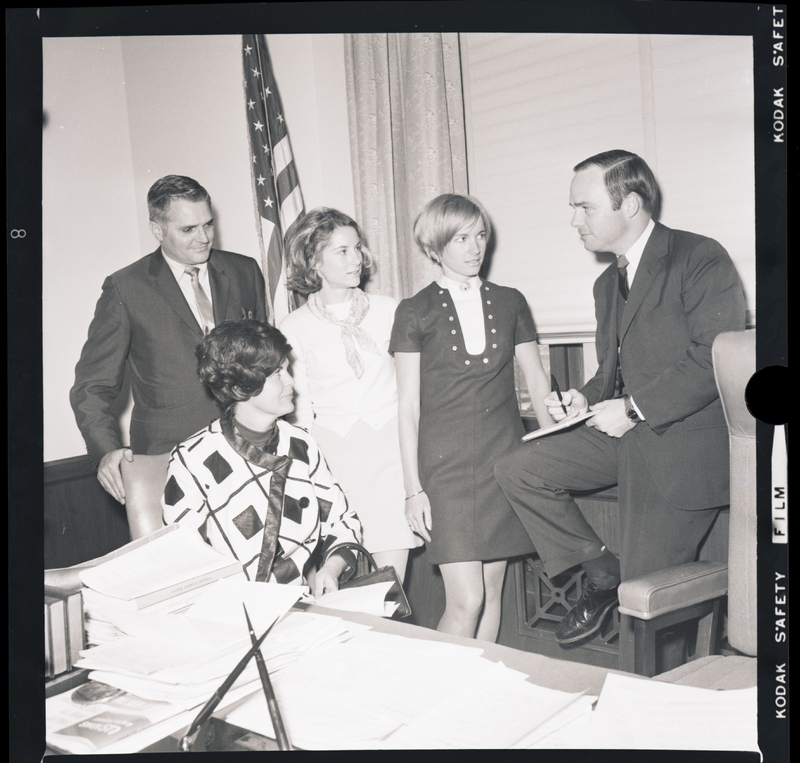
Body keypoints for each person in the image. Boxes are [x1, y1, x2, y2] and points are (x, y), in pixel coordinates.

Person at [494, 150, 747, 646]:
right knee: (518, 470)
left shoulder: (699, 257)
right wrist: (583, 399)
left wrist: (632, 409)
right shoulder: (606, 284)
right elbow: (613, 373)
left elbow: (713, 357)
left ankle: (654, 680)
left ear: (629, 205)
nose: (574, 221)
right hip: (627, 434)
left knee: (645, 608)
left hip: (680, 448)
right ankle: (601, 571)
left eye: (584, 208)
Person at [390, 193, 555, 641]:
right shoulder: (414, 311)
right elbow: (407, 407)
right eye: (461, 238)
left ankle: (483, 680)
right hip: (446, 470)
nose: (474, 247)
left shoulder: (510, 301)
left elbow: (537, 381)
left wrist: (551, 453)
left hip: (504, 460)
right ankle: (440, 683)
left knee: (492, 592)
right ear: (434, 246)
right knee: (467, 599)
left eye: (480, 235)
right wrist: (413, 489)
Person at [70, 175, 267, 505]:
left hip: (249, 446)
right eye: (188, 229)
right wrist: (106, 451)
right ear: (158, 230)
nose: (203, 238)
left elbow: (265, 362)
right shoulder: (126, 288)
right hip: (167, 456)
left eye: (208, 224)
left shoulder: (244, 271)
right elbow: (92, 386)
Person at [161, 320, 362, 597]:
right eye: (278, 373)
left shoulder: (301, 444)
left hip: (298, 604)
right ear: (241, 385)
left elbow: (343, 522)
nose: (291, 381)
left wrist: (331, 568)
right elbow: (180, 556)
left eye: (287, 369)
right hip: (228, 607)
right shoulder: (193, 458)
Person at [279, 208, 423, 582]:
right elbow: (300, 412)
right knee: (340, 581)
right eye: (342, 251)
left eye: (357, 248)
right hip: (334, 460)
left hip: (392, 453)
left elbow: (412, 388)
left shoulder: (390, 310)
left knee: (389, 582)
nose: (356, 258)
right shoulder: (293, 327)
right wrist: (308, 474)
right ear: (314, 261)